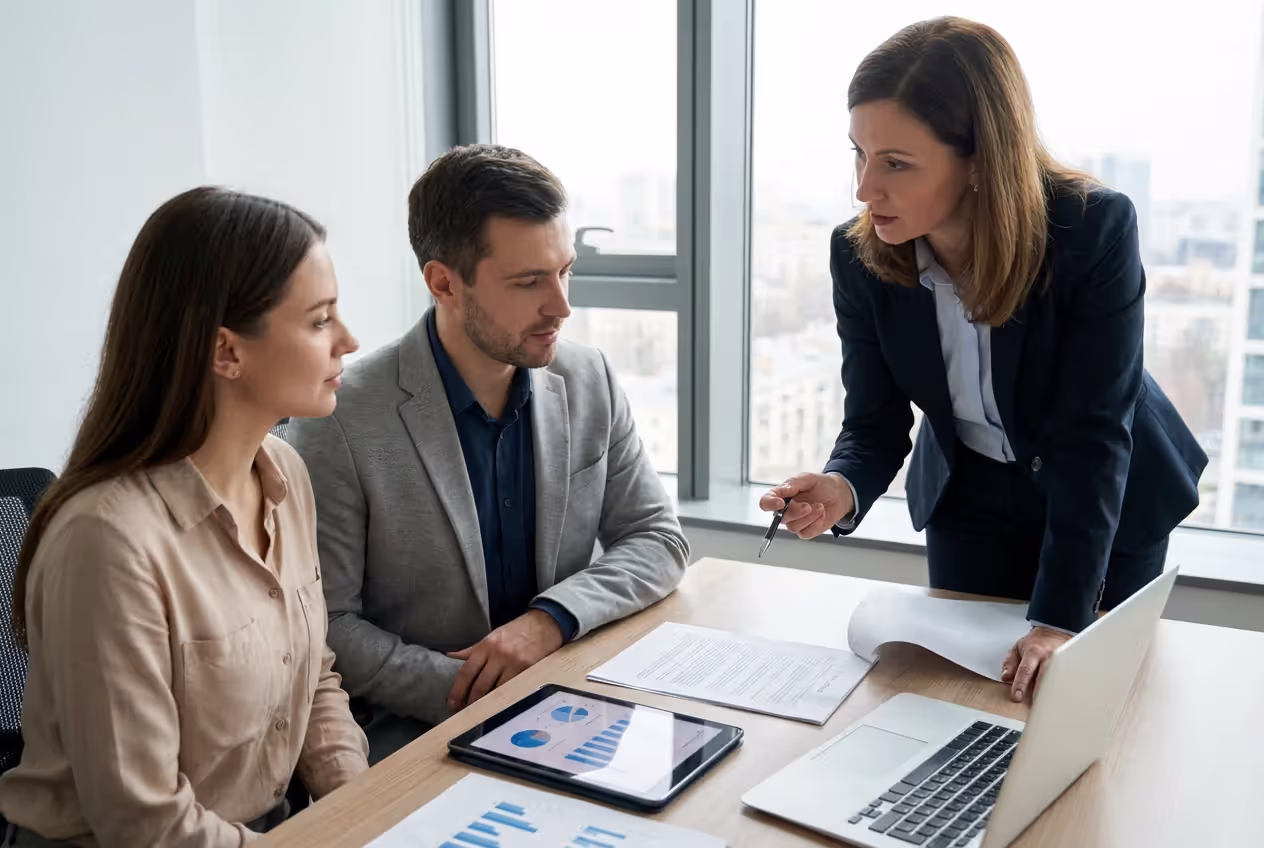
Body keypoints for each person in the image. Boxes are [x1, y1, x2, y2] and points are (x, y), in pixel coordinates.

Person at [760, 17, 1206, 705]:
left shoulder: (1090, 230)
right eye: (860, 155)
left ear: (978, 160)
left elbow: (1092, 435)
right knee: (959, 701)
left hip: (1105, 502)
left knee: (1087, 709)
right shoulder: (858, 255)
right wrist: (842, 486)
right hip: (969, 498)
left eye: (896, 163)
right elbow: (874, 421)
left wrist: (1059, 619)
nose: (865, 189)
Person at [288, 144, 689, 763]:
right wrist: (487, 690)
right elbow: (327, 626)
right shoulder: (339, 417)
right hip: (421, 736)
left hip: (575, 705)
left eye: (565, 271)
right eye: (529, 282)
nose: (561, 305)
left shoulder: (589, 377)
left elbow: (657, 539)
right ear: (444, 282)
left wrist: (549, 621)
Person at [0, 188, 369, 846]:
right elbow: (142, 820)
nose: (349, 339)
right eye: (320, 321)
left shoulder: (285, 473)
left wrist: (362, 812)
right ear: (226, 352)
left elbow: (312, 677)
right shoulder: (107, 541)